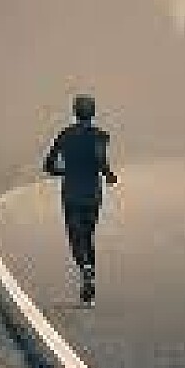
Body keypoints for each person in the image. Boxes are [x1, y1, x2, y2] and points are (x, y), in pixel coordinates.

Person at [43, 95, 118, 306]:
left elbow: (48, 165)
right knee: (87, 235)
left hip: (71, 193)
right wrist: (109, 175)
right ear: (93, 112)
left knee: (75, 237)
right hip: (93, 193)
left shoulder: (64, 135)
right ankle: (89, 272)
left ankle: (85, 268)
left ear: (74, 112)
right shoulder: (100, 135)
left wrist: (64, 171)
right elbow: (100, 159)